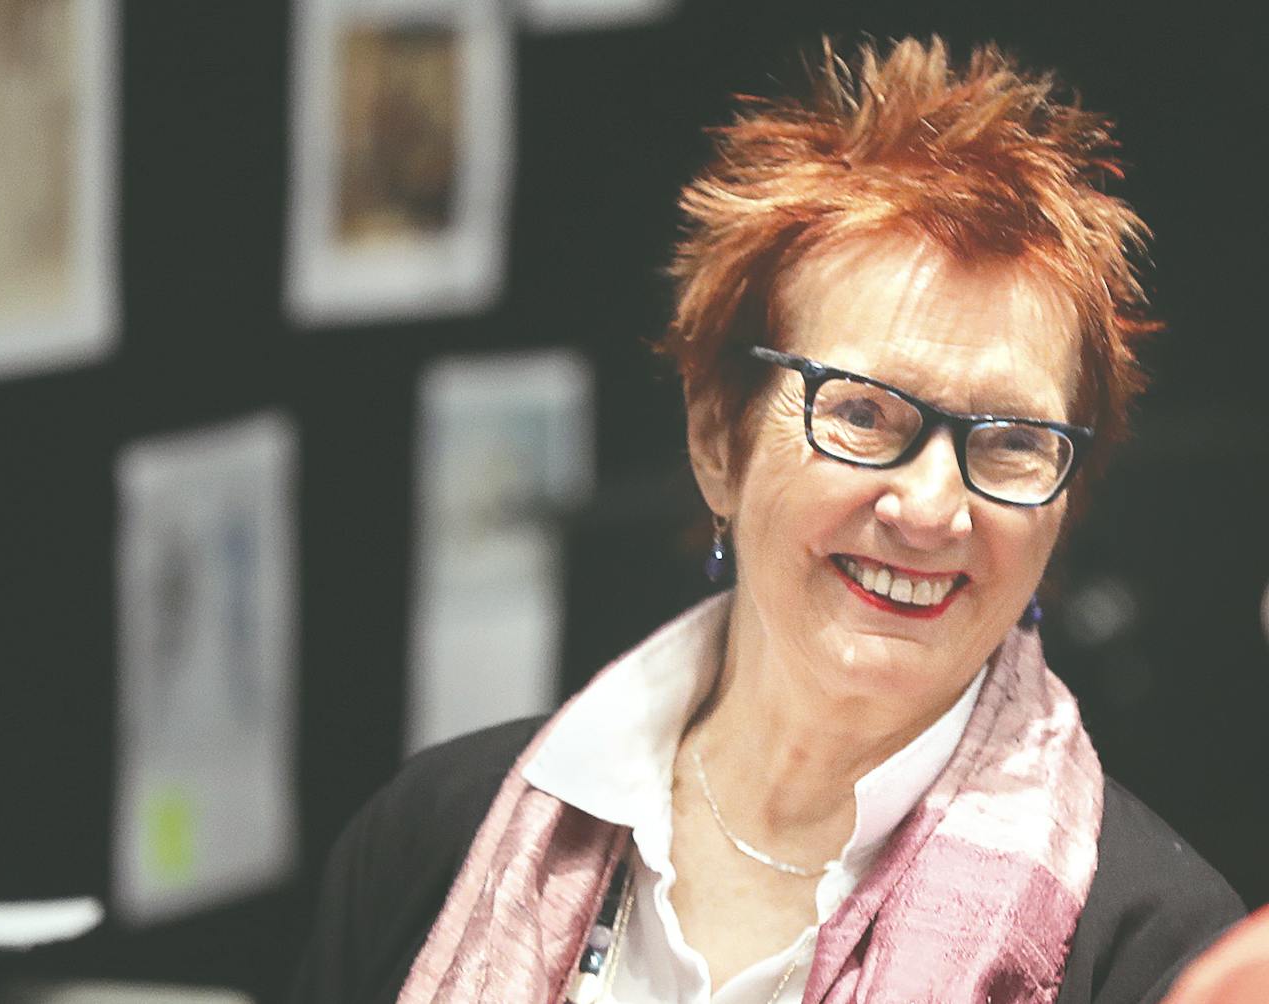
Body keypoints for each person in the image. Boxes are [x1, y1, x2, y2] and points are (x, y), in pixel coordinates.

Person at [291, 36, 1244, 1004]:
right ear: (717, 439)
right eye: (862, 413)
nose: (927, 507)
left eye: (1008, 442)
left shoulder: (1155, 950)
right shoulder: (433, 836)